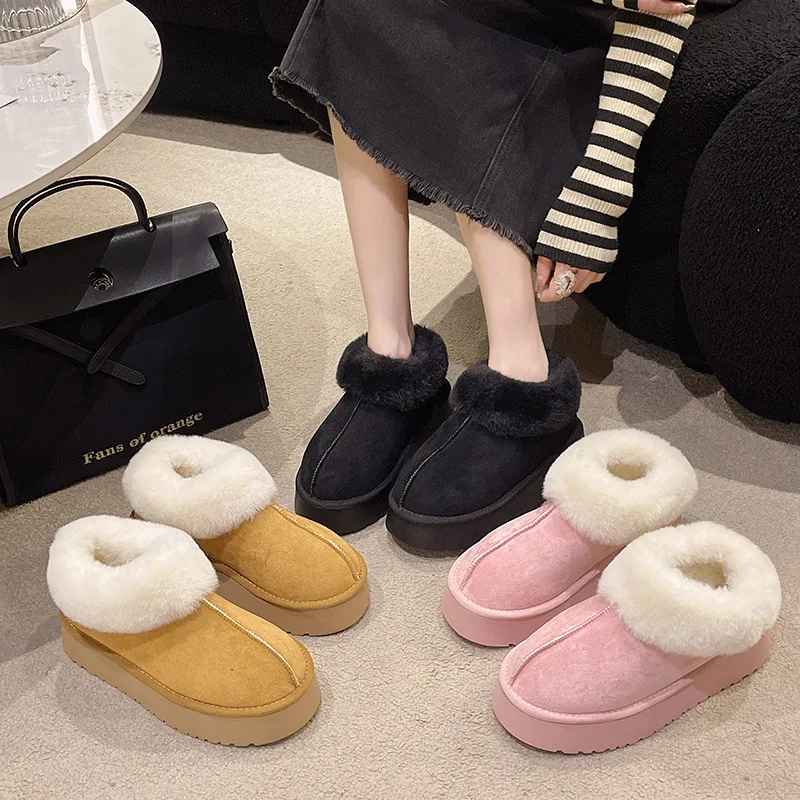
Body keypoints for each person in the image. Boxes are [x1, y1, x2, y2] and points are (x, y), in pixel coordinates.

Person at [271, 0, 696, 551]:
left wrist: (598, 193)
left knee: (476, 43)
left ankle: (522, 371)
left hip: (592, 29)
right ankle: (390, 348)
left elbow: (662, 15)